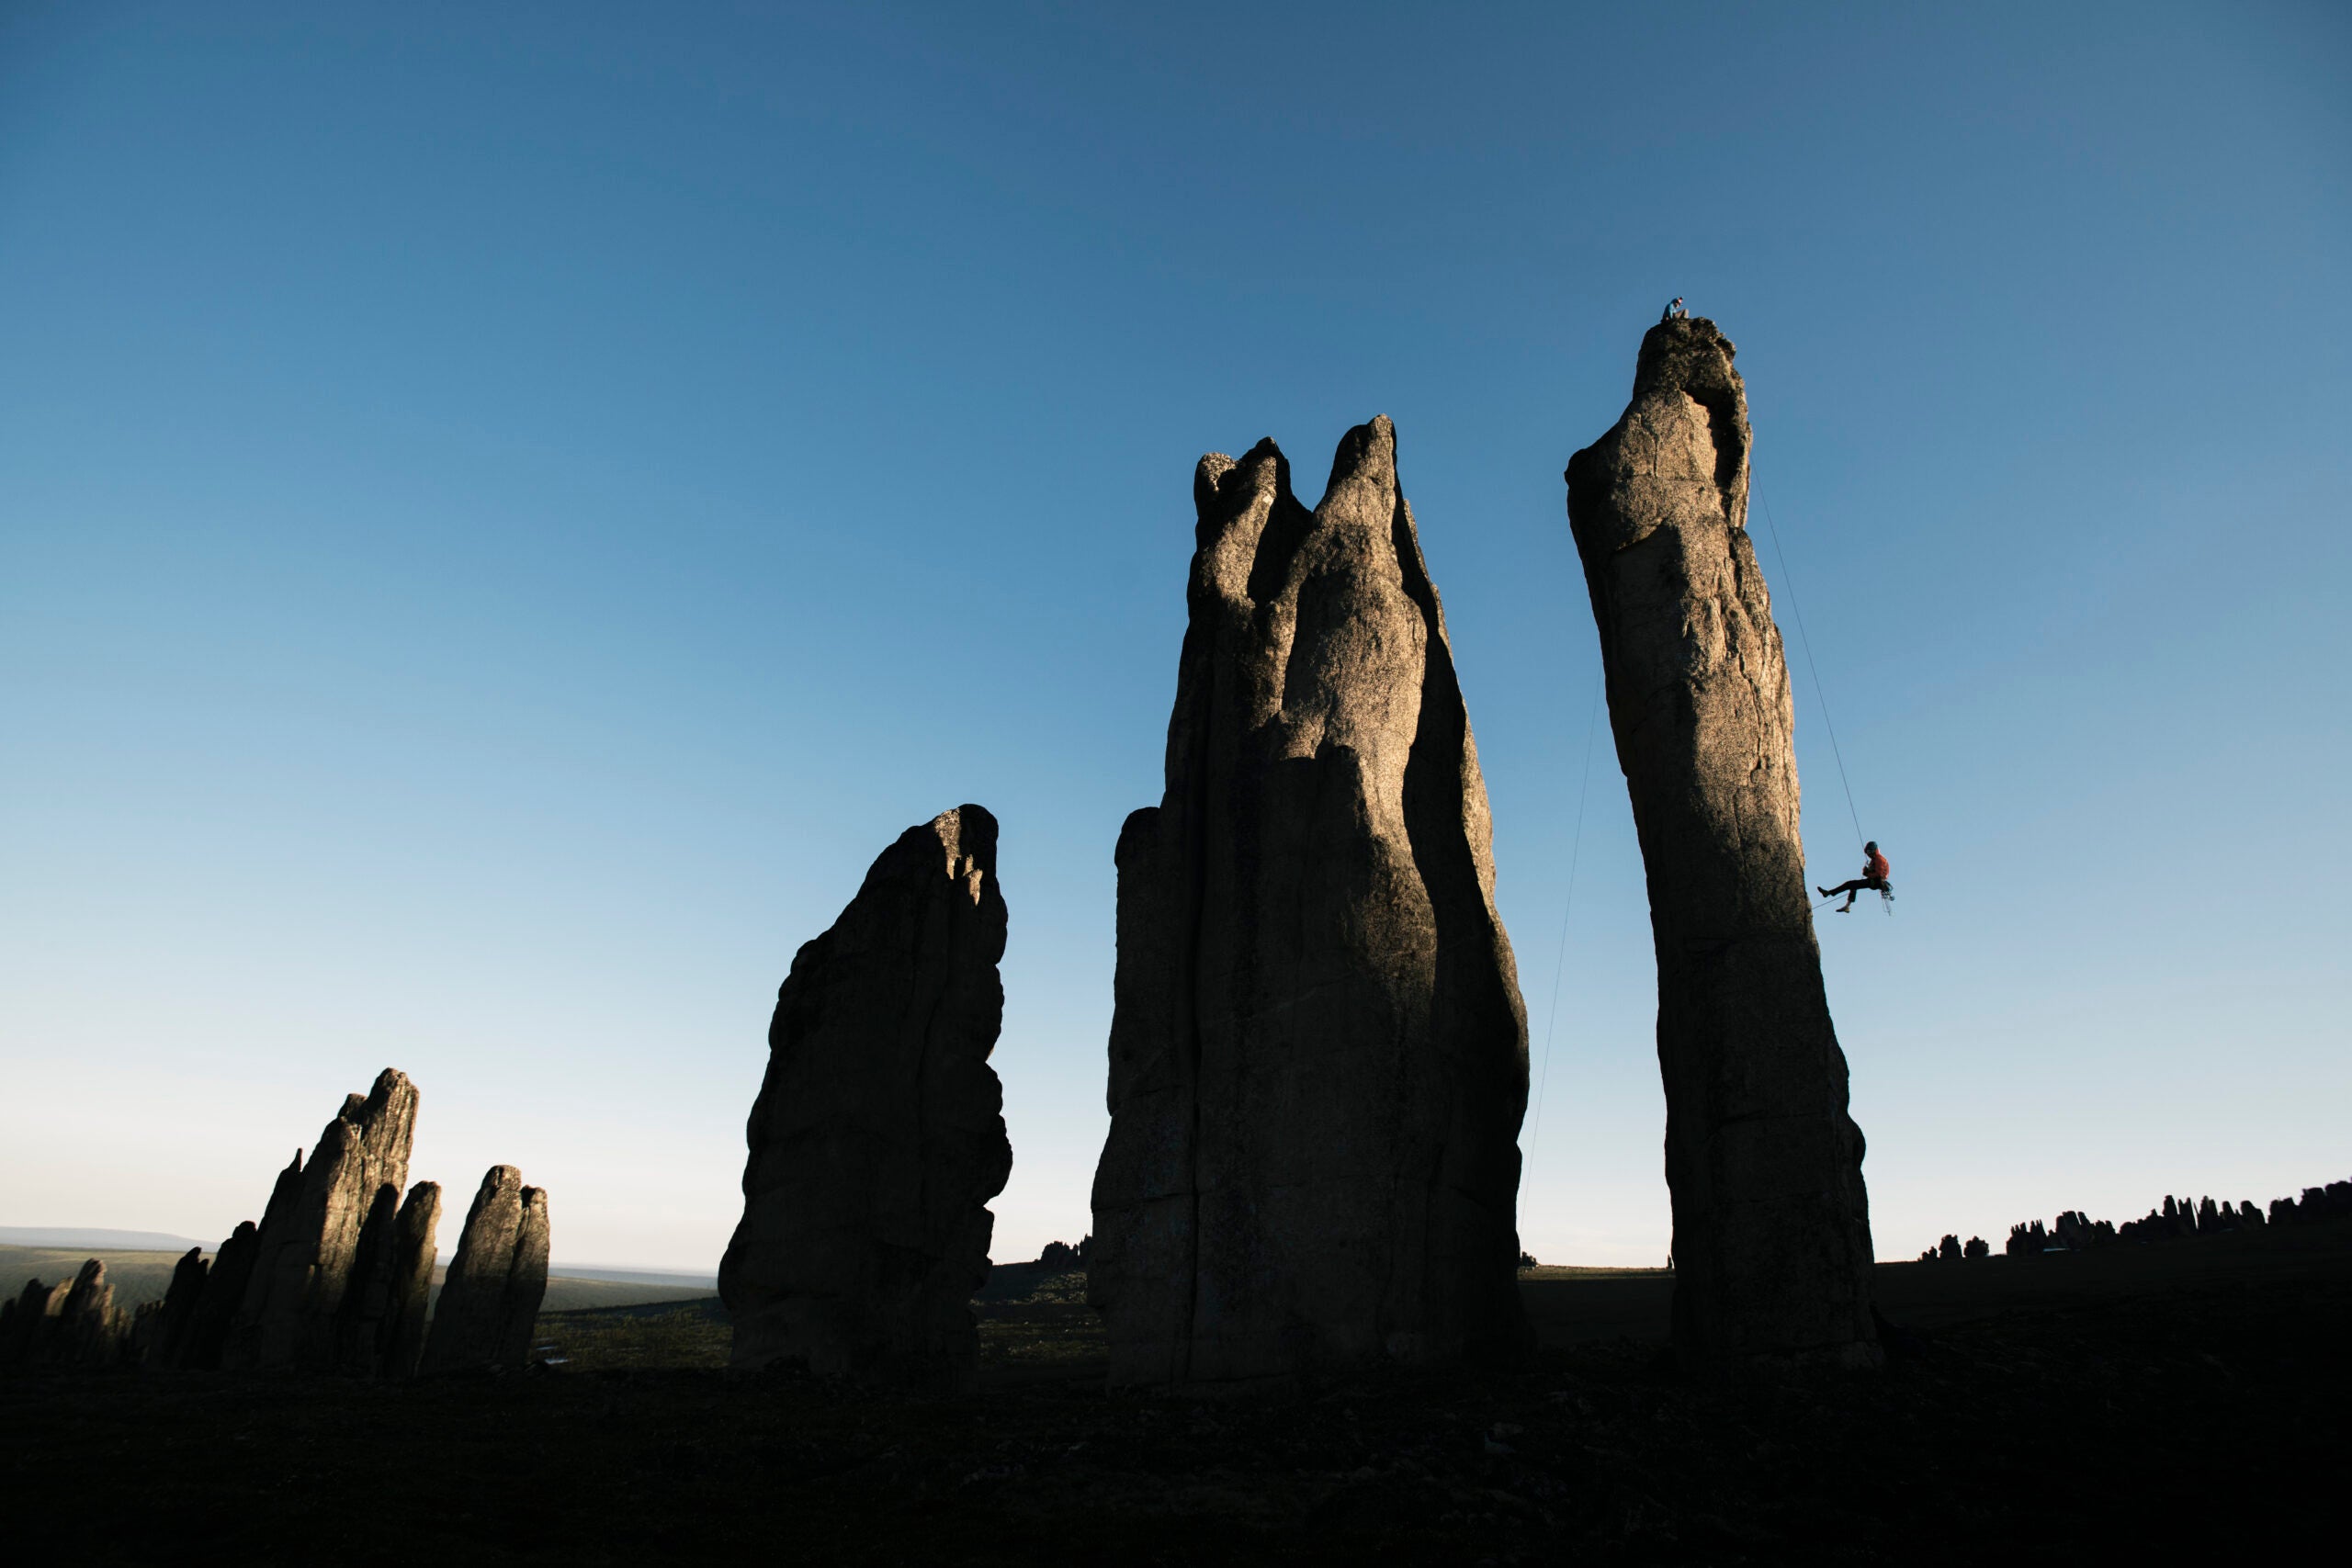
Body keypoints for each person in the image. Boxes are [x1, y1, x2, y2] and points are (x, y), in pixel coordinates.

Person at [1817, 840, 1891, 913]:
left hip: (1877, 882)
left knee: (1850, 884)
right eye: (1867, 852)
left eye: (1869, 852)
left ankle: (1829, 893)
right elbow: (1872, 872)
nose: (1868, 854)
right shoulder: (1874, 860)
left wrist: (1867, 873)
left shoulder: (1879, 859)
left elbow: (1879, 874)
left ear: (1873, 851)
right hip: (1874, 881)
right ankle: (1847, 906)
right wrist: (1867, 871)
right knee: (1853, 886)